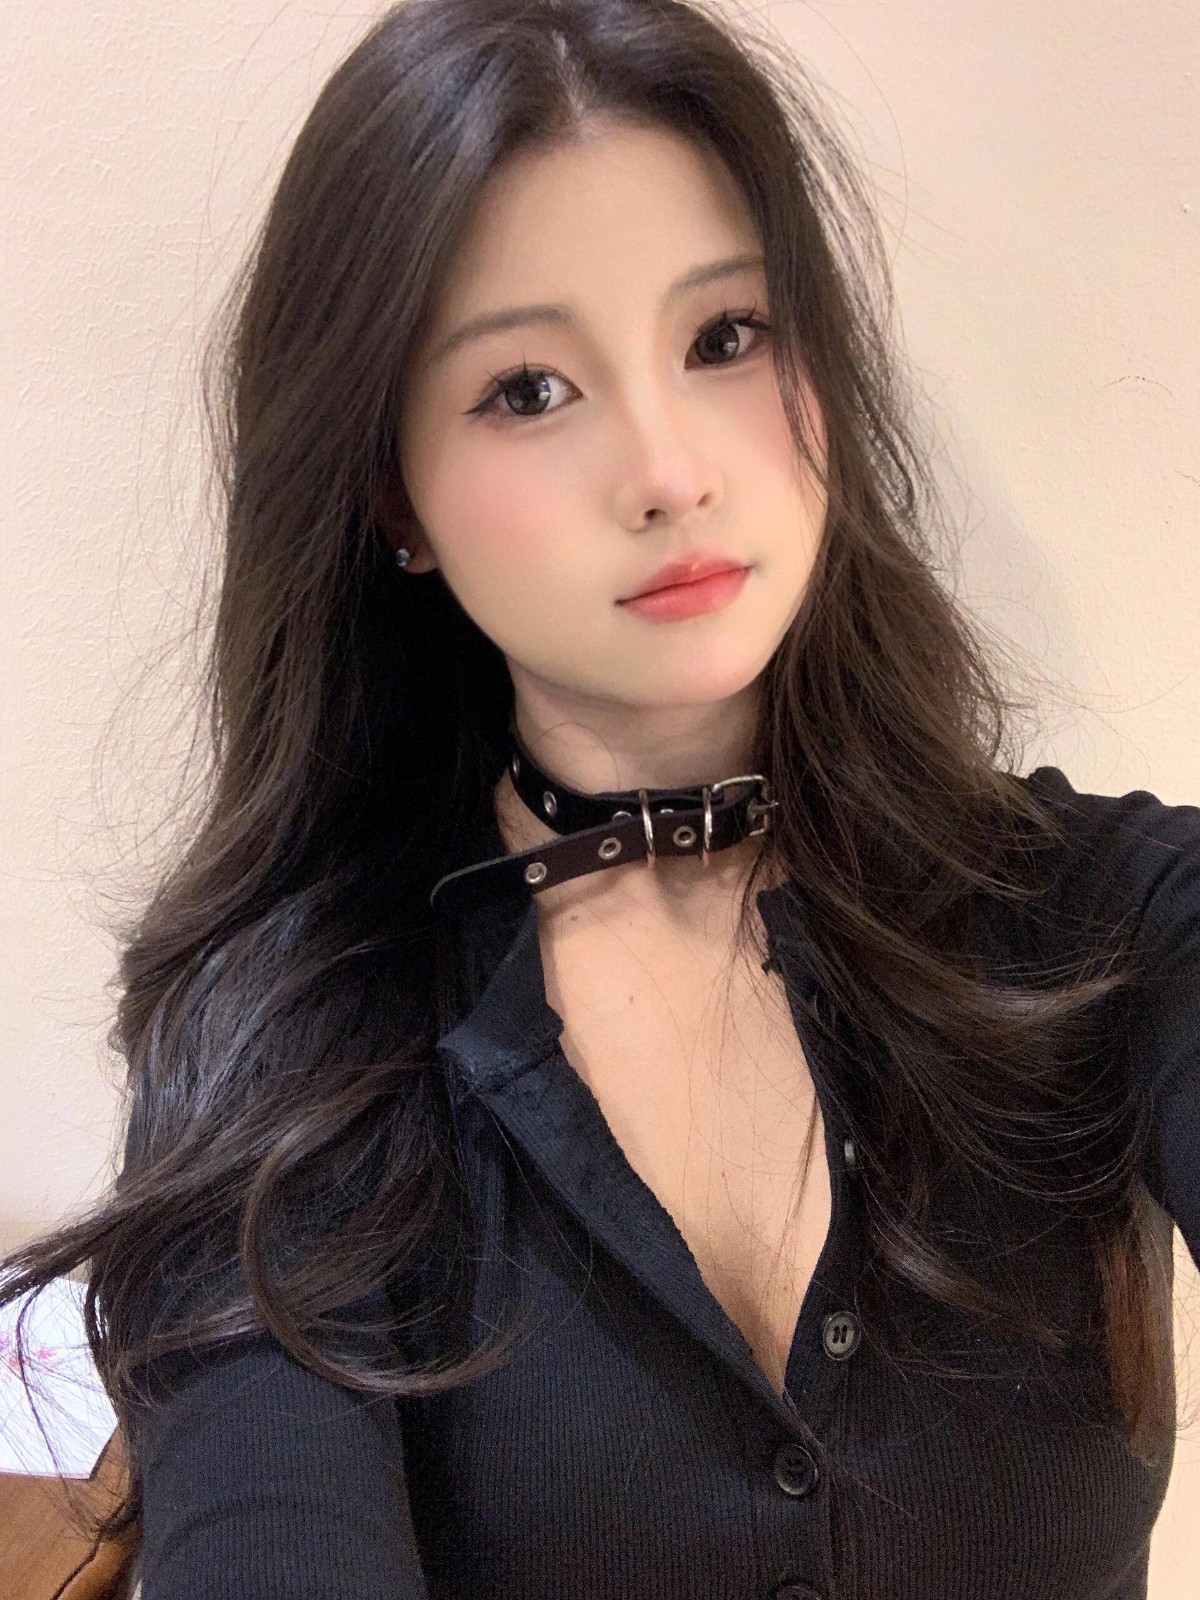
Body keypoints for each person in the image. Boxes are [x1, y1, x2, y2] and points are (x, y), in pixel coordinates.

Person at [1, 2, 1196, 1596]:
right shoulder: (289, 1041)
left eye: (726, 337)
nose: (669, 470)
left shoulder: (1105, 920)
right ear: (393, 490)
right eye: (527, 389)